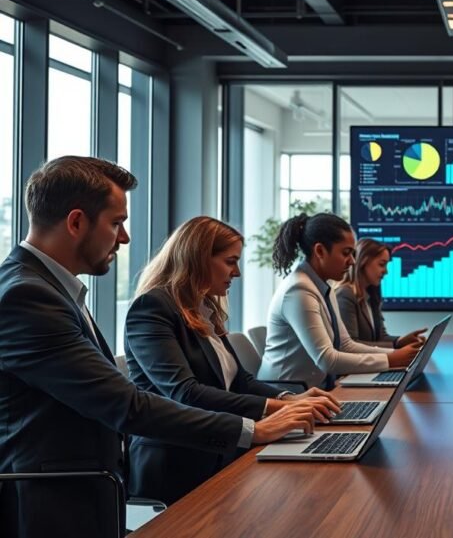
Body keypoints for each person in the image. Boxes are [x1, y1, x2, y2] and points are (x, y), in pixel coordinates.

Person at [0, 157, 326, 538]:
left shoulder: (51, 288)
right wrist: (254, 429)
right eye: (116, 223)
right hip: (52, 503)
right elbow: (127, 404)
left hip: (84, 491)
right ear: (76, 223)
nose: (124, 238)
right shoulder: (27, 296)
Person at [124, 216, 340, 504]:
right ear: (199, 258)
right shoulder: (152, 308)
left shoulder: (204, 308)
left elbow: (240, 380)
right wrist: (279, 407)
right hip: (176, 461)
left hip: (219, 448)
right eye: (230, 261)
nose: (236, 273)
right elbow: (184, 392)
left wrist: (290, 399)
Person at [258, 213, 421, 389]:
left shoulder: (322, 286)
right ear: (320, 251)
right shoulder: (298, 291)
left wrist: (395, 355)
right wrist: (390, 359)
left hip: (313, 391)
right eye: (346, 253)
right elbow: (327, 360)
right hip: (287, 394)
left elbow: (346, 345)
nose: (352, 261)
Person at [336, 238, 426, 348]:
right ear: (364, 261)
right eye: (382, 264)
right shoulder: (345, 295)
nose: (386, 271)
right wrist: (395, 349)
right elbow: (350, 345)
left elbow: (381, 338)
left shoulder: (370, 294)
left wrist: (401, 341)